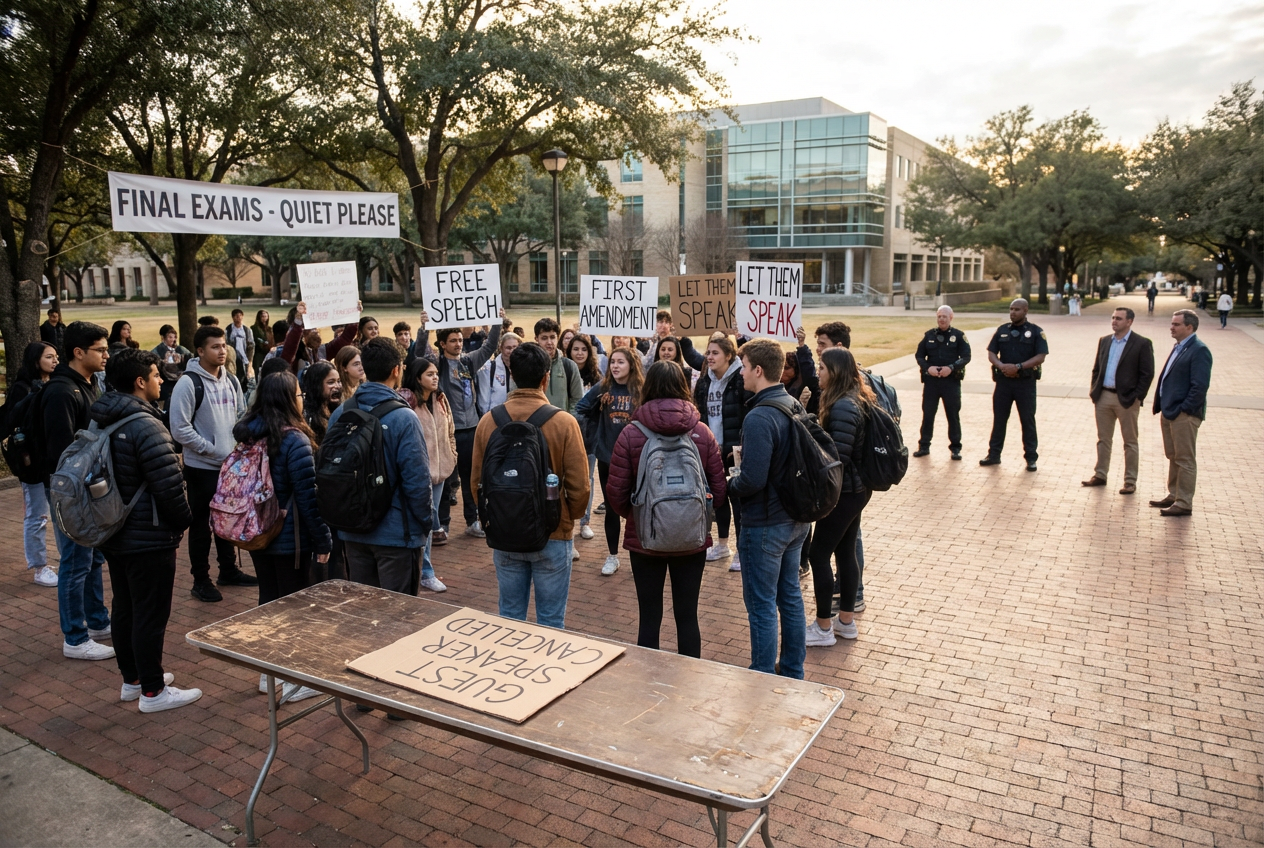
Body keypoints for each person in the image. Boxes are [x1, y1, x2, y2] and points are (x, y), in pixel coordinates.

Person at [92, 348, 200, 711]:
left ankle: (133, 679)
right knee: (150, 613)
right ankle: (153, 691)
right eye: (156, 375)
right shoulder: (146, 425)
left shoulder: (101, 418)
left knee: (125, 607)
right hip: (148, 535)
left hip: (113, 529)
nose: (160, 381)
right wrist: (184, 520)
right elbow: (170, 487)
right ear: (140, 382)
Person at [605, 361, 725, 657]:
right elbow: (719, 490)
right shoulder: (702, 433)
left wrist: (637, 516)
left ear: (649, 387)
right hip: (692, 539)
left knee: (649, 617)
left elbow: (616, 493)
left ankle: (651, 682)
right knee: (687, 616)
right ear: (684, 388)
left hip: (645, 540)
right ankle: (689, 678)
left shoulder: (632, 434)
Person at [470, 342, 589, 628]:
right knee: (550, 621)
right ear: (546, 378)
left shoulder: (488, 422)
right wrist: (565, 518)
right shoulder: (563, 422)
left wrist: (494, 515)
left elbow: (476, 482)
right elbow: (580, 486)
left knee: (510, 620)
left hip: (505, 531)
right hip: (553, 532)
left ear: (511, 375)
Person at [234, 370, 332, 702]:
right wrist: (323, 540)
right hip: (291, 537)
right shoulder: (295, 440)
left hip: (257, 531)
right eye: (299, 394)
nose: (303, 398)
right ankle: (291, 679)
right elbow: (308, 496)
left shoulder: (249, 434)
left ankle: (268, 674)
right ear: (290, 399)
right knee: (294, 607)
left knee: (268, 600)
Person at [726, 338, 811, 679]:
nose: (741, 373)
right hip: (794, 518)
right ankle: (792, 670)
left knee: (761, 604)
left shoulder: (760, 416)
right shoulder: (792, 403)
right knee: (789, 596)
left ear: (758, 371)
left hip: (765, 522)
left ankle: (761, 673)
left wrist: (727, 484)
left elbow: (752, 480)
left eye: (744, 366)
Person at [327, 338, 433, 592]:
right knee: (399, 617)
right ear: (396, 370)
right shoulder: (403, 417)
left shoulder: (341, 413)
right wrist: (426, 523)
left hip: (352, 530)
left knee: (365, 615)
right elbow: (417, 480)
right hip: (397, 535)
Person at [42, 321, 114, 660]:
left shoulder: (88, 384)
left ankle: (98, 621)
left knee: (93, 557)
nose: (106, 355)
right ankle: (74, 637)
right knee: (74, 562)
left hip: (90, 491)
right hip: (70, 495)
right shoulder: (60, 392)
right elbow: (62, 456)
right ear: (78, 352)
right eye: (100, 349)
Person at [169, 324, 253, 602]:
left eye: (223, 345)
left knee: (227, 520)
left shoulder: (231, 380)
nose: (222, 350)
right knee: (202, 524)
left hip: (229, 468)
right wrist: (211, 450)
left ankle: (228, 570)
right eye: (215, 346)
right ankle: (200, 579)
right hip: (201, 469)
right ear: (200, 350)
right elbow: (179, 428)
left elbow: (241, 414)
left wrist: (238, 447)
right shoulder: (188, 383)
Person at [805, 348, 875, 647]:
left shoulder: (844, 406)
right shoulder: (850, 398)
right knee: (844, 552)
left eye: (822, 367)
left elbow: (838, 456)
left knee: (818, 554)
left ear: (835, 371)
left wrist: (810, 430)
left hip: (844, 491)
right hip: (854, 490)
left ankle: (823, 627)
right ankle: (845, 622)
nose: (818, 372)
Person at [416, 309, 503, 538]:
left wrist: (496, 323)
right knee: (445, 478)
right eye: (453, 341)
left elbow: (489, 347)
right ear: (442, 344)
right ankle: (441, 524)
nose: (458, 344)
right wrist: (424, 328)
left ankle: (472, 520)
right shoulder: (438, 365)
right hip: (446, 431)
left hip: (471, 428)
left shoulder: (468, 361)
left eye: (460, 340)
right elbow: (418, 354)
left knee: (471, 477)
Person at [574, 346, 643, 576]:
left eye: (621, 362)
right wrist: (596, 407)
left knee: (638, 509)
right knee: (612, 508)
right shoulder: (603, 387)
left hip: (635, 460)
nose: (615, 366)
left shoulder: (641, 389)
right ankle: (612, 556)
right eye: (612, 361)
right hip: (607, 457)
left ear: (631, 364)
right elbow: (581, 408)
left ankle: (641, 554)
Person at [693, 333, 749, 571]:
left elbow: (747, 412)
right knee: (718, 498)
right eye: (708, 352)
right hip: (712, 450)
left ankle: (741, 551)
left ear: (729, 355)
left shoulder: (740, 379)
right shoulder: (705, 380)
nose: (710, 357)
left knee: (738, 500)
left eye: (715, 353)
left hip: (735, 451)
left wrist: (743, 445)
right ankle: (722, 544)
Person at [1083, 307, 1154, 495]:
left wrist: (1137, 397)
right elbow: (1096, 368)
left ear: (1129, 321)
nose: (1114, 321)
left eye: (1119, 319)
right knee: (1103, 439)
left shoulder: (1141, 343)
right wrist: (1094, 391)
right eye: (1113, 317)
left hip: (1127, 399)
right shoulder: (1105, 341)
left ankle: (1130, 481)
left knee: (1130, 441)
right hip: (1103, 396)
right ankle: (1100, 474)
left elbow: (1147, 374)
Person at [1150, 310, 1213, 516]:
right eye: (1172, 323)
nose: (1172, 327)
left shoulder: (1199, 350)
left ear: (1189, 327)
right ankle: (1174, 493)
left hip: (1183, 415)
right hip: (1169, 411)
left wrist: (1183, 409)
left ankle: (1184, 501)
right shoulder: (1180, 347)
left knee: (1185, 458)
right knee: (1173, 455)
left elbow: (1199, 387)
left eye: (1176, 324)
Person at [7, 342, 59, 586]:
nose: (55, 360)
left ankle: (49, 561)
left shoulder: (54, 384)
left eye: (56, 356)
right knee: (37, 515)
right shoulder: (22, 388)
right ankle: (39, 567)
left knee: (54, 513)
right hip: (32, 465)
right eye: (49, 357)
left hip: (51, 462)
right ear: (35, 360)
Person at [403, 357, 455, 590]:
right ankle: (425, 571)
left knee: (430, 521)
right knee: (426, 522)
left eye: (436, 373)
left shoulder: (441, 400)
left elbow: (450, 430)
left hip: (440, 473)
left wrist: (451, 455)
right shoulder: (408, 403)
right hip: (418, 474)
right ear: (417, 378)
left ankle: (424, 569)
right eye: (429, 374)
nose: (435, 377)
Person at [980, 299, 1048, 472]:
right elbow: (991, 352)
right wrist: (1001, 366)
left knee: (1027, 421)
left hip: (1025, 384)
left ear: (1025, 310)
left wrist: (1018, 367)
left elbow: (1041, 356)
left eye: (1017, 309)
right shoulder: (1002, 330)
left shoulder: (1035, 332)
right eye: (1011, 309)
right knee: (999, 420)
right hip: (1003, 383)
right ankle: (994, 455)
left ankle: (1031, 458)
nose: (1012, 312)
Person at [913, 305, 971, 460]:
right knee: (928, 415)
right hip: (932, 383)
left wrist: (951, 368)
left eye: (944, 316)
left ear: (951, 318)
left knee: (953, 415)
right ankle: (924, 446)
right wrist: (928, 368)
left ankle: (955, 448)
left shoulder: (958, 336)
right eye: (939, 316)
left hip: (950, 383)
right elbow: (919, 355)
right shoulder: (929, 335)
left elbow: (966, 356)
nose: (941, 319)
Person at [566, 334, 602, 540]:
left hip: (588, 437)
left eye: (583, 349)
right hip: (567, 435)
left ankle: (585, 521)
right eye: (575, 349)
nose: (579, 353)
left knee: (587, 479)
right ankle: (567, 521)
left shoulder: (597, 378)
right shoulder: (561, 373)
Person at [532, 317, 584, 414]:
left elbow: (577, 399)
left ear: (558, 338)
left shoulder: (569, 366)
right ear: (536, 339)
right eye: (544, 338)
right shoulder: (529, 365)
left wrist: (567, 419)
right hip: (535, 426)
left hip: (562, 425)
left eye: (552, 337)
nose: (549, 342)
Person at [640, 310, 705, 371]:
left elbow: (692, 358)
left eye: (667, 322)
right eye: (661, 322)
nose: (664, 325)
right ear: (655, 324)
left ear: (671, 325)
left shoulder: (679, 340)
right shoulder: (649, 341)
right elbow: (645, 365)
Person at [475, 332, 520, 416]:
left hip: (517, 418)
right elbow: (483, 401)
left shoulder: (524, 367)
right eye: (508, 348)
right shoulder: (488, 368)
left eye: (515, 347)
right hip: (495, 419)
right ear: (501, 348)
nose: (512, 351)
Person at [299, 360, 341, 446]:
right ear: (316, 385)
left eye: (339, 381)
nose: (337, 386)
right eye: (331, 382)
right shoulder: (307, 417)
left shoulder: (338, 410)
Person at [227, 308, 255, 384]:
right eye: (236, 316)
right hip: (233, 357)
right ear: (233, 317)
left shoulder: (246, 330)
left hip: (244, 357)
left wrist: (250, 359)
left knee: (245, 376)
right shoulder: (228, 329)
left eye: (240, 316)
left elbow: (251, 345)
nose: (238, 318)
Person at [251, 310, 272, 374]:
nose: (264, 318)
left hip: (268, 352)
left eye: (266, 316)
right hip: (258, 353)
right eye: (262, 316)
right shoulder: (254, 328)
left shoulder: (269, 329)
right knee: (257, 370)